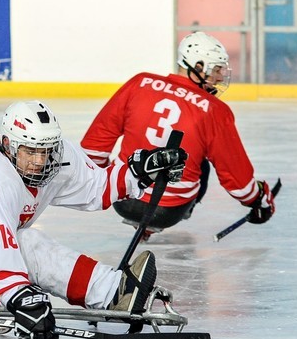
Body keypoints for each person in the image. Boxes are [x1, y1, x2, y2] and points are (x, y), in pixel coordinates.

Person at [0, 100, 187, 339]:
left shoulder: (55, 156)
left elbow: (96, 187)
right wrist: (21, 299)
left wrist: (141, 171)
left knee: (24, 238)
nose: (39, 161)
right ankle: (112, 292)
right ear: (8, 145)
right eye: (30, 151)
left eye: (45, 150)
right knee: (28, 241)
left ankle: (114, 289)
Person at [81, 31, 275, 238]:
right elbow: (236, 176)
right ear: (198, 67)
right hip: (168, 211)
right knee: (201, 163)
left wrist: (101, 180)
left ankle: (140, 216)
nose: (220, 76)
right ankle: (168, 216)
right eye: (216, 69)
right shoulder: (215, 110)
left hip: (122, 198)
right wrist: (257, 199)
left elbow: (95, 143)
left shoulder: (139, 83)